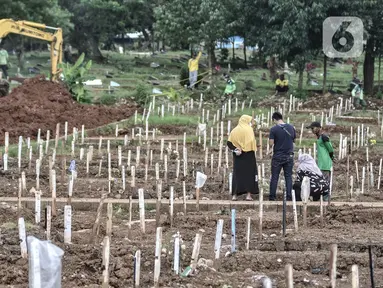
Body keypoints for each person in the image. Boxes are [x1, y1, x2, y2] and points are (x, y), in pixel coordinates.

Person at [227, 115, 259, 201]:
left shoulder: (234, 130)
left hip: (238, 156)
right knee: (249, 174)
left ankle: (234, 195)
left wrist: (236, 149)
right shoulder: (249, 130)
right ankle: (248, 195)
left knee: (237, 175)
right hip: (249, 155)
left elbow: (229, 143)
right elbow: (251, 141)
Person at [268, 112, 296, 201]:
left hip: (278, 155)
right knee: (288, 176)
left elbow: (271, 143)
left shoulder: (274, 129)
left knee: (275, 176)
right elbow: (294, 140)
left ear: (274, 119)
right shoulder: (291, 127)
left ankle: (272, 197)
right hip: (289, 155)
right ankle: (289, 197)